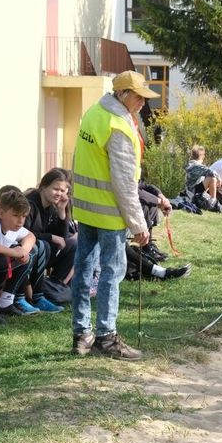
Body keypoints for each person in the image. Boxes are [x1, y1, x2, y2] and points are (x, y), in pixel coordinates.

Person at [70, 70, 157, 359]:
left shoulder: (95, 112)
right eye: (138, 96)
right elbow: (124, 182)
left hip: (86, 208)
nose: (143, 103)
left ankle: (82, 333)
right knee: (111, 272)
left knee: (84, 270)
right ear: (122, 94)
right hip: (109, 213)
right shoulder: (118, 125)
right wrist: (138, 224)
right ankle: (106, 337)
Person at [0, 189, 52, 322]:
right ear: (1, 213)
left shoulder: (12, 226)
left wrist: (23, 250)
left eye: (24, 216)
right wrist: (15, 252)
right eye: (16, 215)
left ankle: (6, 301)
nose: (20, 221)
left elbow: (30, 236)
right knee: (0, 260)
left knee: (31, 251)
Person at [24, 168, 78, 284]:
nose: (59, 193)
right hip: (29, 252)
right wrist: (50, 237)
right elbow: (23, 233)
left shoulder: (53, 206)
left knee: (73, 244)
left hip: (45, 253)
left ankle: (56, 287)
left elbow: (62, 240)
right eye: (55, 189)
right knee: (45, 245)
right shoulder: (29, 204)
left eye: (62, 190)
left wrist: (61, 211)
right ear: (43, 187)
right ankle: (35, 289)